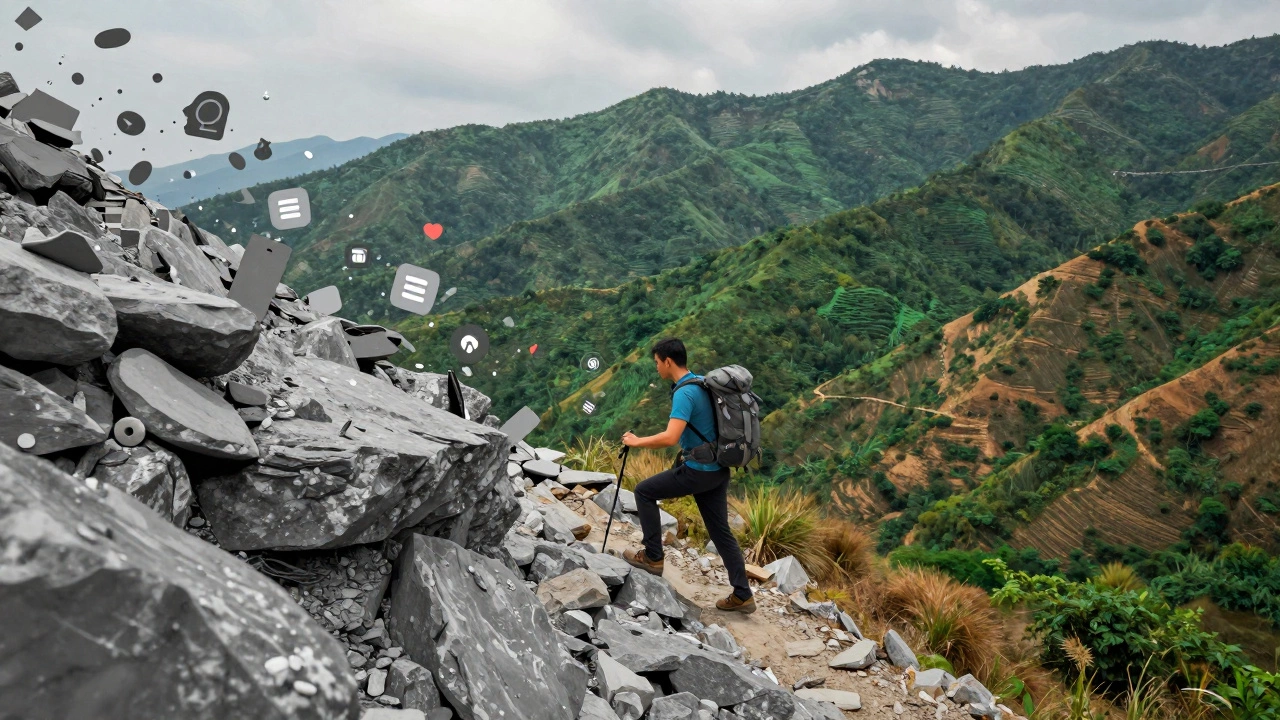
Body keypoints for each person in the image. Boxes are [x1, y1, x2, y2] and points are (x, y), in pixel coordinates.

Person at [620, 338, 755, 613]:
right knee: (720, 531)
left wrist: (636, 441)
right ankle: (743, 594)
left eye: (657, 362)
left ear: (668, 361)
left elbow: (671, 438)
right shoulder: (701, 382)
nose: (656, 367)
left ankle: (653, 557)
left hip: (699, 472)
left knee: (644, 491)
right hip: (718, 470)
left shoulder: (685, 393)